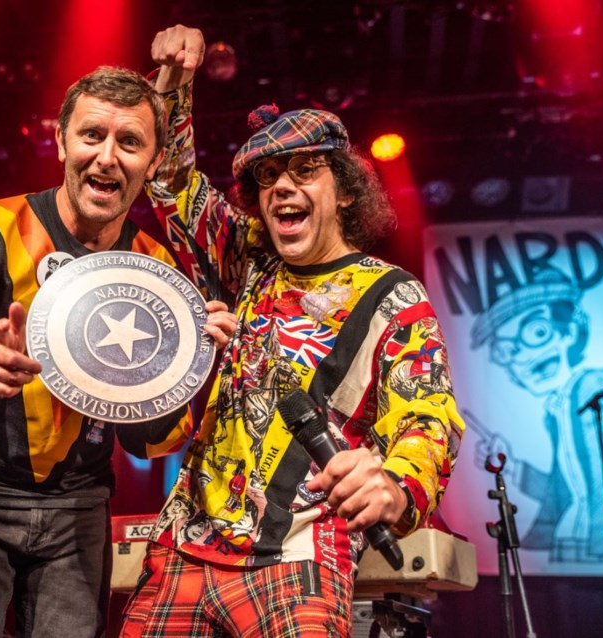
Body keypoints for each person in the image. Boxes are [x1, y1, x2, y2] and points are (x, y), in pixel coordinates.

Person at [119, 26, 466, 636]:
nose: (282, 185)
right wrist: (173, 85)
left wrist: (394, 485)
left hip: (299, 558)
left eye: (305, 170)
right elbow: (172, 183)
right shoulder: (246, 258)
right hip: (183, 550)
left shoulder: (393, 295)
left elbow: (427, 417)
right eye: (268, 176)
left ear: (345, 191)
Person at [0, 65, 236, 638]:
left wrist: (184, 362)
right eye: (91, 135)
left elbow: (150, 442)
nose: (107, 157)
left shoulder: (160, 272)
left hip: (78, 507)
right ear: (61, 143)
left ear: (151, 164)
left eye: (129, 143)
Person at [471, 266, 603, 563]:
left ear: (571, 331)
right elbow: (562, 492)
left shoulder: (597, 385)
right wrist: (512, 467)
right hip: (581, 544)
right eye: (506, 350)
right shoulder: (558, 410)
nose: (522, 356)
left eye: (537, 332)